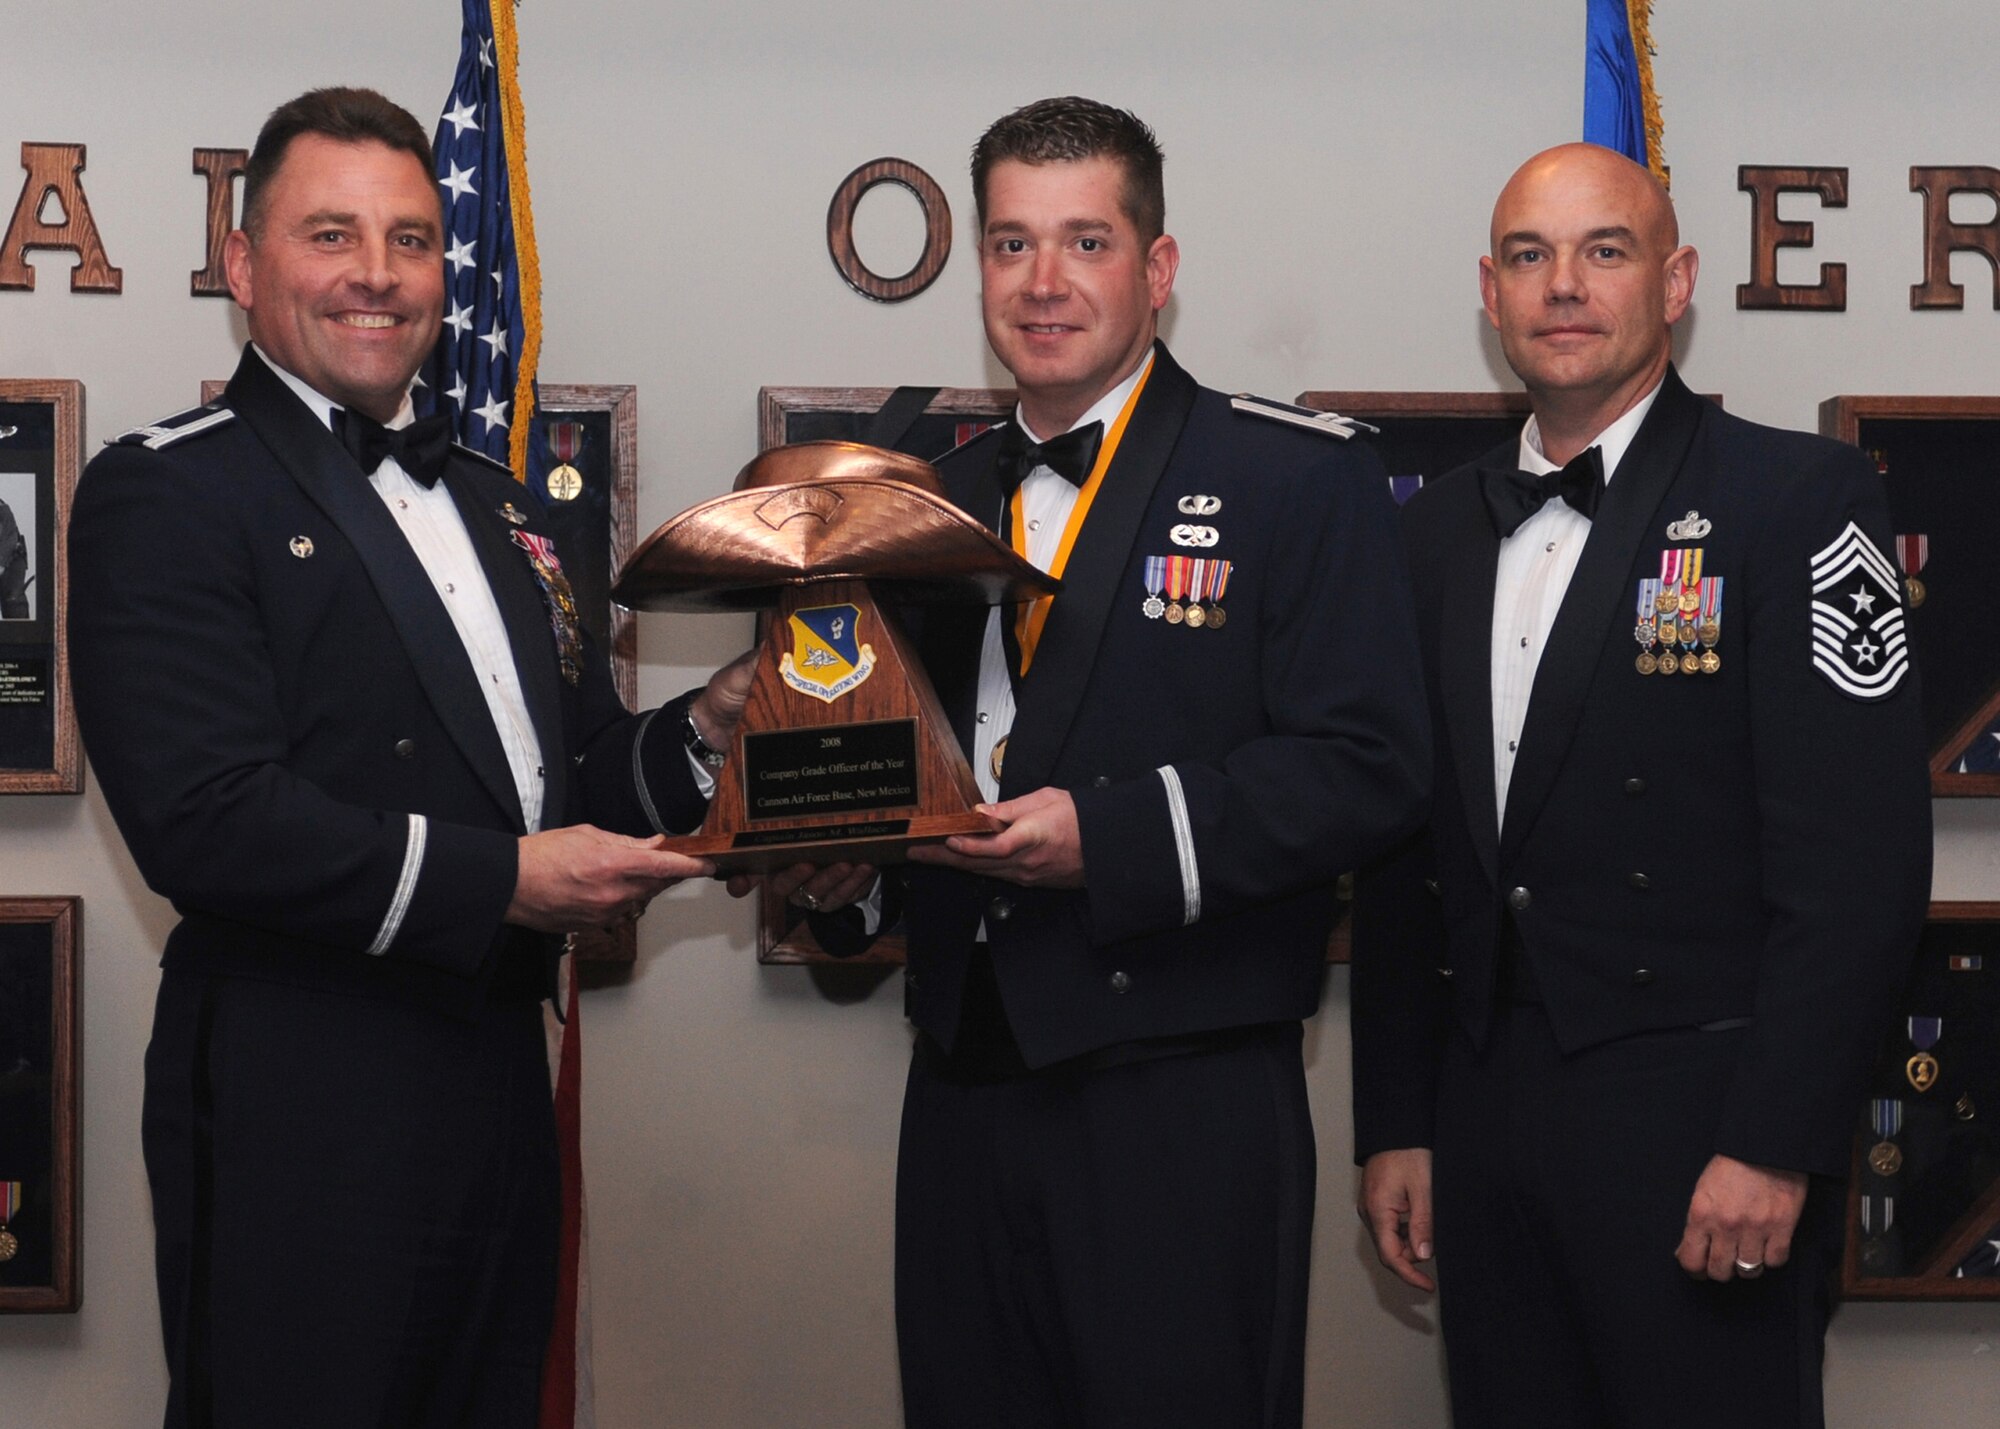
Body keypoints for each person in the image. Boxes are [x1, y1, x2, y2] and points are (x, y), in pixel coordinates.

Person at [69, 87, 748, 1429]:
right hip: (301, 1099)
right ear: (245, 265)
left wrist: (711, 726)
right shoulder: (171, 489)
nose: (377, 274)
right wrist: (508, 881)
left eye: (412, 239)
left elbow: (574, 778)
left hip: (494, 1083)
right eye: (331, 234)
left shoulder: (502, 506)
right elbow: (205, 817)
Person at [771, 96, 1429, 1427]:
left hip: (1180, 1088)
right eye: (1012, 244)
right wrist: (849, 875)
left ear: (1157, 266)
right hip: (961, 1083)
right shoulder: (923, 499)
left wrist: (1110, 841)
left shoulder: (1293, 478)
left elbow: (1369, 767)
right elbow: (912, 768)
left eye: (1086, 242)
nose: (1044, 281)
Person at [1350, 142, 1932, 1428]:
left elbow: (1860, 868)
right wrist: (1397, 1119)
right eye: (1528, 256)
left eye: (1601, 251)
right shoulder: (1430, 531)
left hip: (1703, 1127)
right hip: (1484, 1123)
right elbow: (1405, 852)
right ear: (1489, 293)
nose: (1561, 285)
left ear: (1673, 283)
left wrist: (1773, 1140)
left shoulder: (1793, 497)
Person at [0, 496, 28, 618]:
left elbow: (9, 538)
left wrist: (1, 564)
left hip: (11, 563)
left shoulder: (3, 510)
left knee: (14, 607)